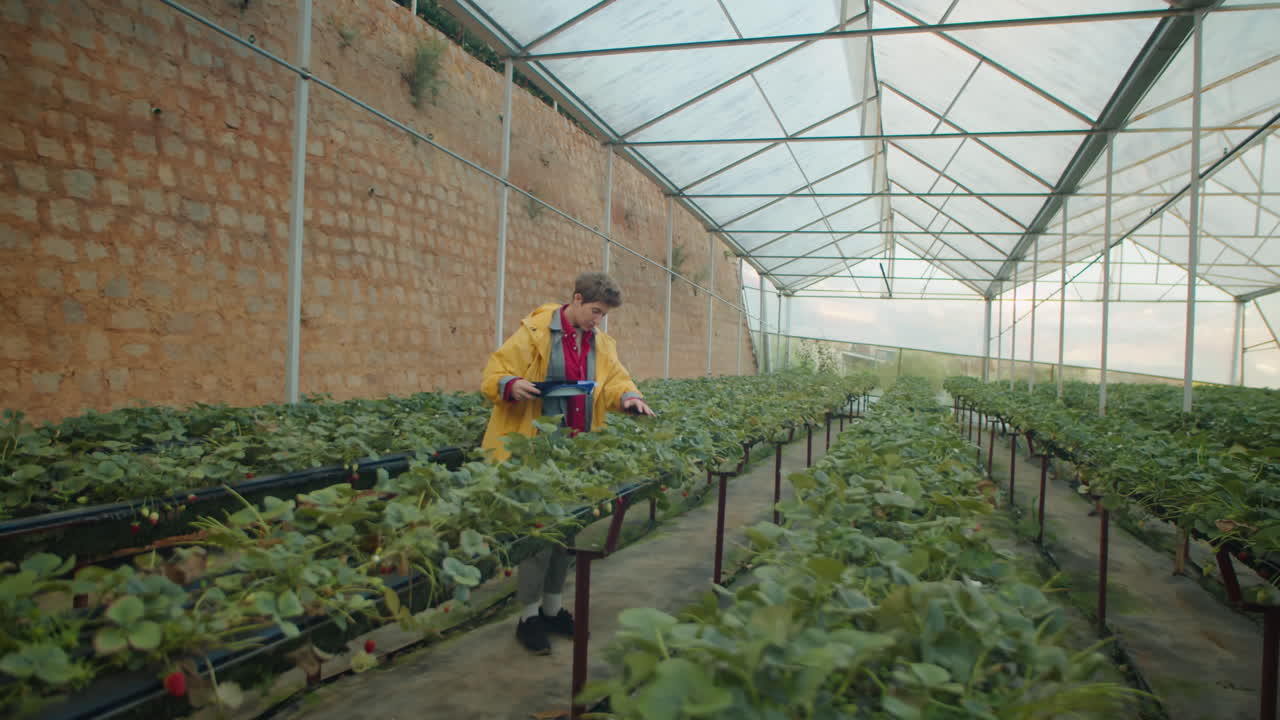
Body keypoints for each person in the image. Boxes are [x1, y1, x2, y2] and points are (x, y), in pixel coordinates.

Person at [480, 272, 655, 655]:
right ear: (576, 300)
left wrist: (628, 397)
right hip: (532, 451)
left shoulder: (601, 344)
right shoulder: (535, 332)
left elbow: (614, 382)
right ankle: (528, 618)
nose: (598, 319)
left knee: (566, 534)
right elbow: (494, 374)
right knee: (538, 536)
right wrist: (511, 384)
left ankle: (553, 608)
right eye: (594, 311)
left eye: (603, 314)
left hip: (574, 453)